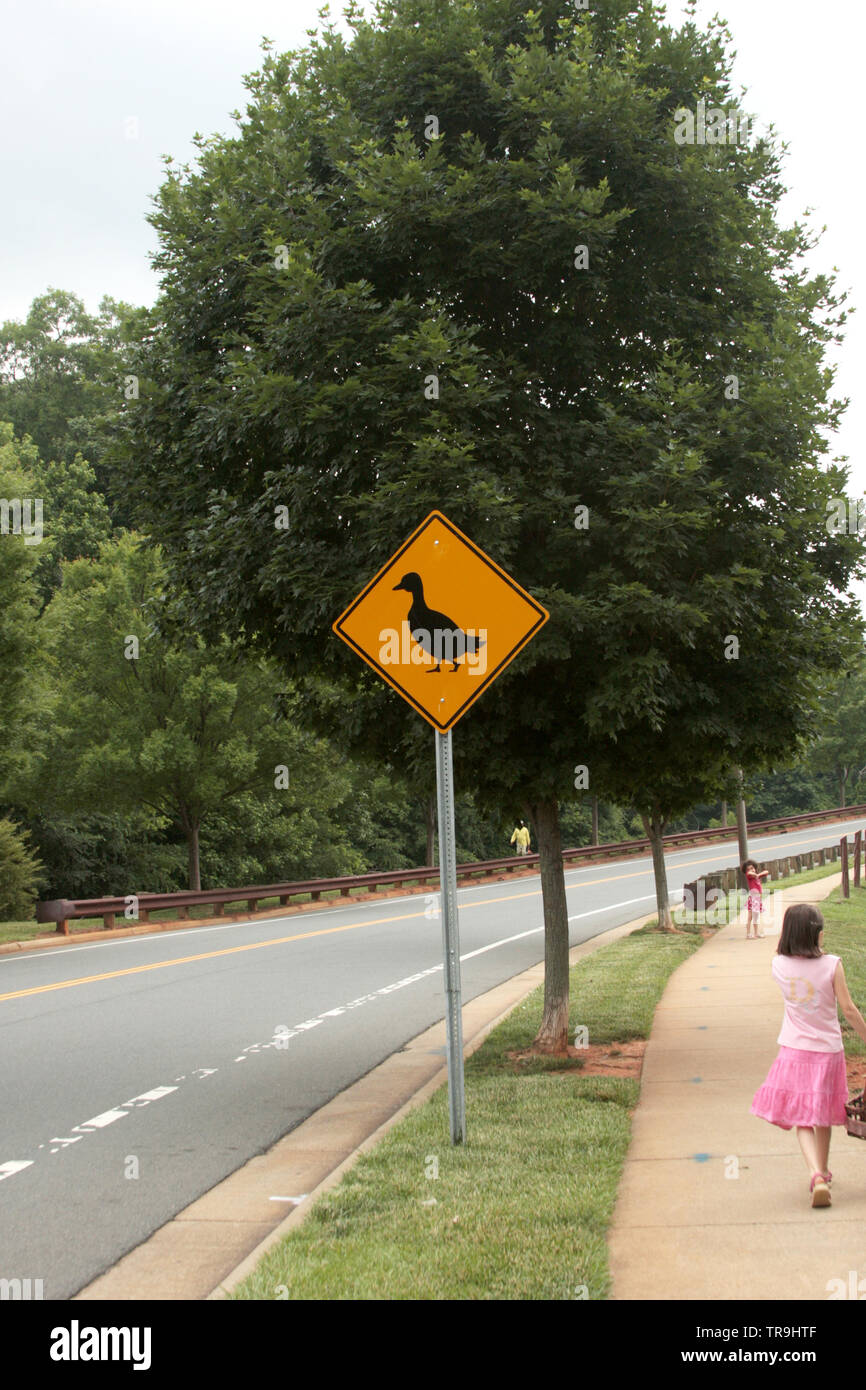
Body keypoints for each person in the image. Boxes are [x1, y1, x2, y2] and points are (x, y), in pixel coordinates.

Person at [751, 903, 866, 1207]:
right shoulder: (832, 964)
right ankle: (824, 1172)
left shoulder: (779, 965)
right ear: (816, 933)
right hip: (828, 1051)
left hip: (794, 1050)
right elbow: (849, 1009)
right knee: (823, 1114)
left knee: (802, 1118)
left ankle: (814, 1173)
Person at [742, 859, 770, 939]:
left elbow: (766, 872)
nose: (751, 870)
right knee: (754, 917)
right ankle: (754, 934)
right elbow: (749, 873)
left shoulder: (756, 876)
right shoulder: (749, 876)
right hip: (754, 898)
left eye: (752, 868)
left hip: (756, 898)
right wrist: (754, 874)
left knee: (752, 917)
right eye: (748, 869)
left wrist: (758, 875)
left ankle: (751, 933)